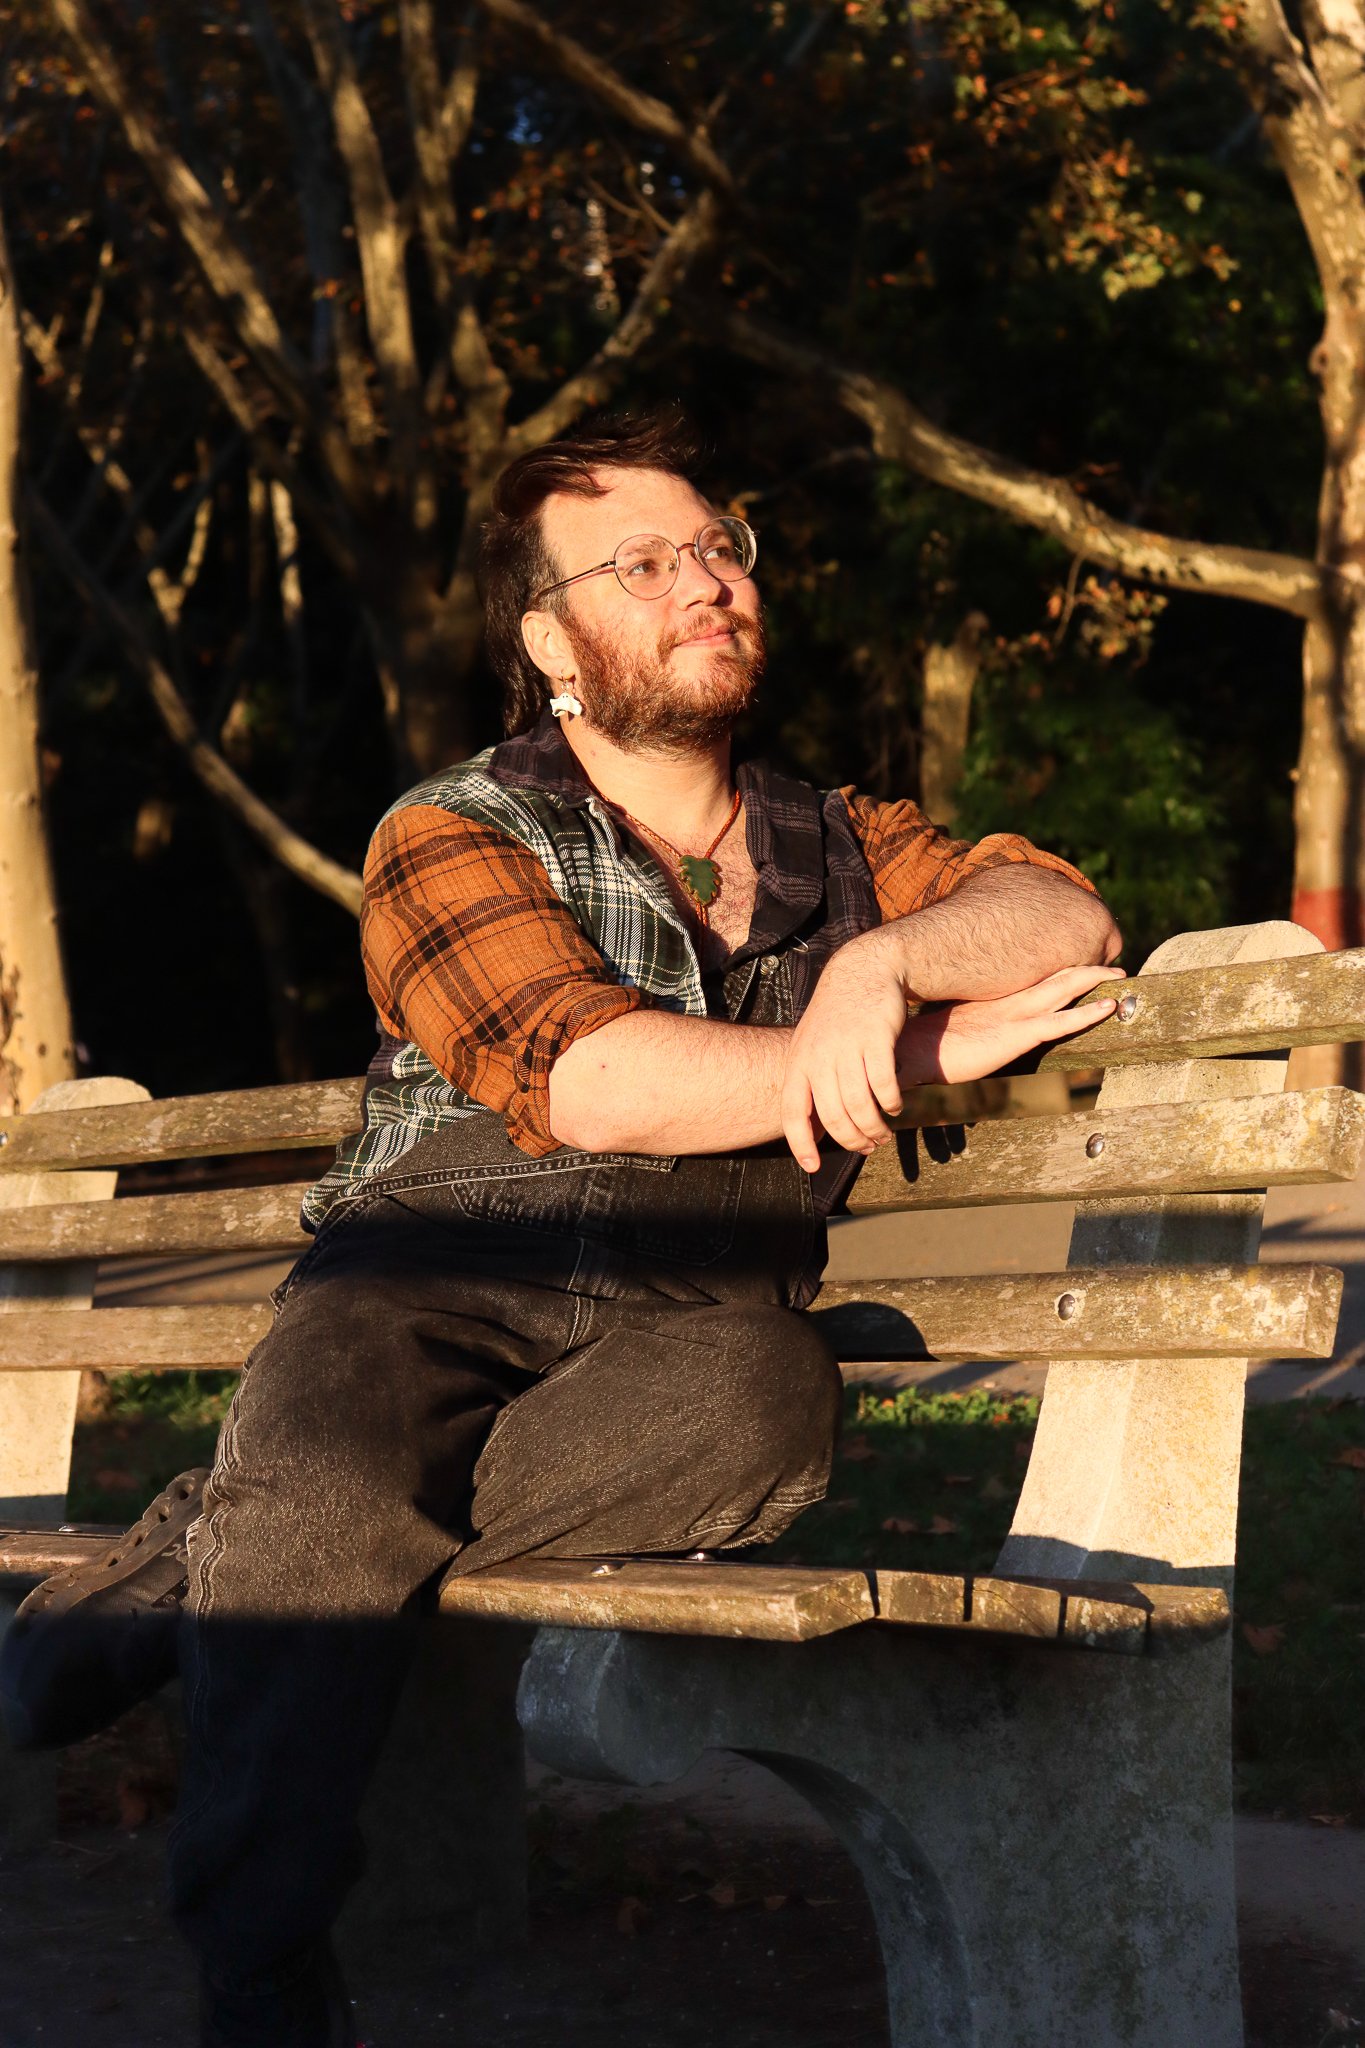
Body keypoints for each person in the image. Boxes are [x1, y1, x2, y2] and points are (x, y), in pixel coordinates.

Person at [0, 408, 1122, 2046]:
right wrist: (902, 1055)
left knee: (769, 1400)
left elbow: (1061, 910)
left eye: (719, 548)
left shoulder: (847, 846)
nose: (707, 582)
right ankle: (262, 1977)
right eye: (644, 563)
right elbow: (589, 1079)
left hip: (701, 1307)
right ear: (549, 641)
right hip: (428, 1277)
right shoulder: (450, 829)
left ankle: (194, 1548)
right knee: (325, 1505)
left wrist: (881, 969)